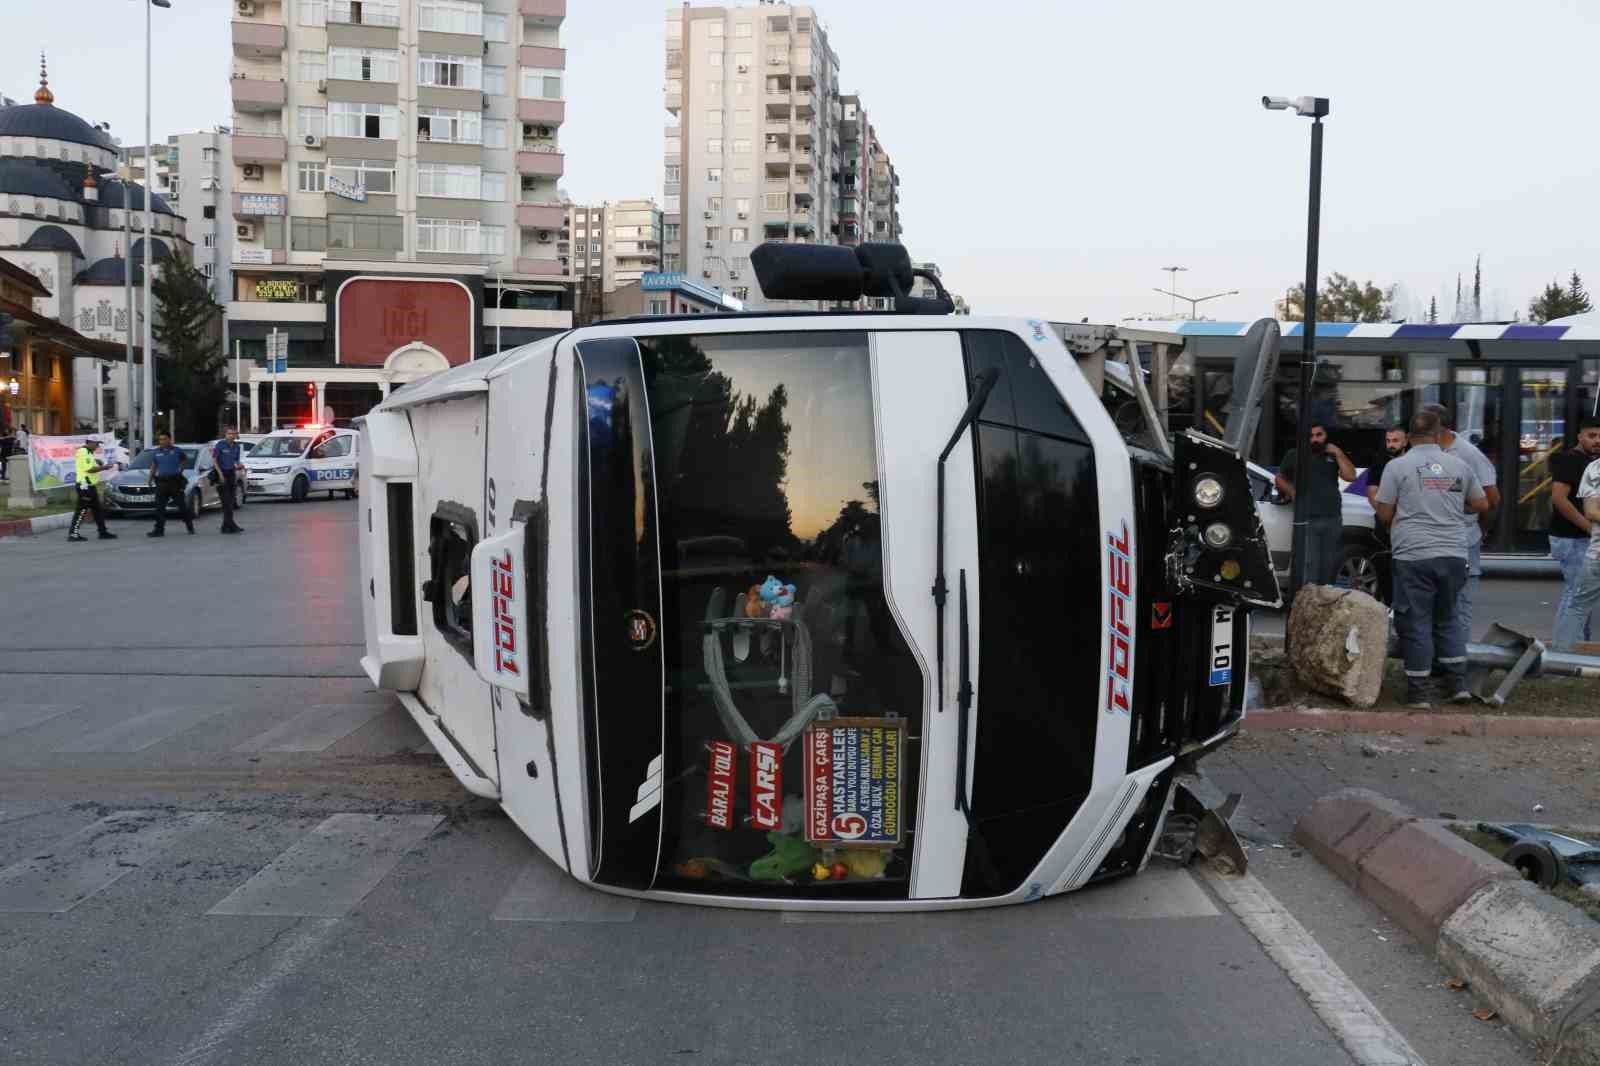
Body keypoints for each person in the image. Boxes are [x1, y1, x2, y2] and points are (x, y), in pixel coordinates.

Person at [1373, 409, 1489, 708]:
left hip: (1413, 554)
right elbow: (1481, 502)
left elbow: (1384, 513)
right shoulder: (1458, 465)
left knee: (1416, 622)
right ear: (1439, 435)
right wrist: (1449, 510)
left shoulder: (1397, 466)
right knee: (1448, 618)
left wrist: (1408, 513)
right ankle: (1457, 684)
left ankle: (1419, 692)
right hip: (1453, 553)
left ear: (1409, 436)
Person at [1422, 403, 1499, 648]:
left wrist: (1475, 524)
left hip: (1462, 538)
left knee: (1460, 603)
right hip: (1431, 538)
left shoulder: (1468, 454)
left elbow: (1492, 498)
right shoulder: (1424, 451)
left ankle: (1460, 658)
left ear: (1440, 429)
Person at [1275, 421, 1356, 586]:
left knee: (1329, 566)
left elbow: (1350, 476)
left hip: (1332, 518)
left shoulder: (1332, 455)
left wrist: (1338, 453)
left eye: (1319, 435)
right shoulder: (1294, 454)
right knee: (1309, 567)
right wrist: (1292, 492)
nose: (1315, 439)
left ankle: (1325, 606)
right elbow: (1279, 478)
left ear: (1326, 436)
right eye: (1311, 436)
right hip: (1307, 519)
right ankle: (1309, 606)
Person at [1550, 416, 1600, 645]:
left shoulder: (1591, 463)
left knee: (1580, 596)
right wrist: (1590, 528)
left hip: (1579, 537)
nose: (1597, 441)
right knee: (1576, 596)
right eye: (1592, 436)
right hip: (1572, 538)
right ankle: (1566, 651)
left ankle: (1576, 646)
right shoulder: (1571, 460)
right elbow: (1559, 499)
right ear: (1580, 436)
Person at [68, 438, 118, 542]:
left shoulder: (89, 452)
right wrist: (104, 467)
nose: (97, 446)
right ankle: (73, 534)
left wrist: (97, 462)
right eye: (96, 444)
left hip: (90, 486)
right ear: (90, 442)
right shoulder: (84, 452)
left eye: (99, 444)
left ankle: (102, 532)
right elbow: (89, 469)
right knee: (81, 510)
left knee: (98, 510)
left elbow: (89, 465)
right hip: (84, 486)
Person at [147, 431, 194, 537]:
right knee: (159, 507)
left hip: (175, 482)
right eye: (160, 439)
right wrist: (150, 479)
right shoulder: (156, 452)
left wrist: (180, 471)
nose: (162, 441)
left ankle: (189, 525)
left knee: (181, 506)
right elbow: (154, 466)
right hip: (162, 482)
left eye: (164, 439)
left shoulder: (177, 451)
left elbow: (185, 461)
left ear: (169, 439)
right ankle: (159, 530)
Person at [211, 427, 245, 535]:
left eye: (233, 434)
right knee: (226, 502)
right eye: (229, 433)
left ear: (236, 435)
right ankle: (230, 526)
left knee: (230, 501)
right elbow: (215, 460)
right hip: (221, 474)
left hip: (231, 474)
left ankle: (226, 526)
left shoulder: (236, 446)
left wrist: (240, 465)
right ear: (225, 434)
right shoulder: (220, 445)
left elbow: (236, 460)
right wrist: (220, 474)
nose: (231, 435)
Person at [1364, 425, 1409, 506]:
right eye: (1388, 441)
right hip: (1387, 514)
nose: (1390, 445)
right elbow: (1372, 493)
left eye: (1395, 441)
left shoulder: (1413, 462)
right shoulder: (1378, 465)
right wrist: (1385, 516)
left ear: (1405, 442)